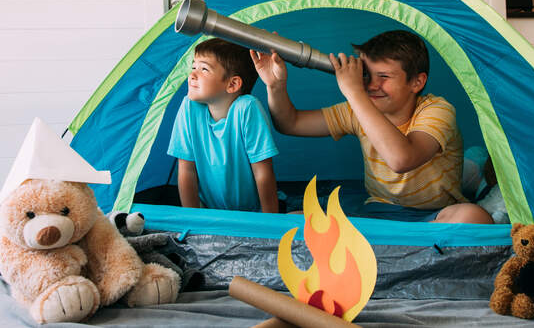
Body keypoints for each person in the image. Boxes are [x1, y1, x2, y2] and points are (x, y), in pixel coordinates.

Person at [251, 30, 491, 224]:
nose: (372, 85)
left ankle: (399, 242)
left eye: (384, 77)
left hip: (433, 215)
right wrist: (275, 86)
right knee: (296, 219)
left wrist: (355, 92)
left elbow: (402, 160)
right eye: (366, 75)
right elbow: (290, 123)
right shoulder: (358, 108)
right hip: (378, 213)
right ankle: (400, 244)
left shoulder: (437, 110)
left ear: (417, 82)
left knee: (473, 217)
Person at [167, 38, 280, 213]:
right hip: (209, 210)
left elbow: (263, 172)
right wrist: (193, 217)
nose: (192, 75)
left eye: (204, 69)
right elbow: (186, 170)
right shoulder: (189, 107)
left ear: (232, 84)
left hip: (252, 212)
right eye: (194, 67)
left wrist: (270, 220)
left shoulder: (247, 108)